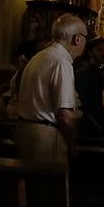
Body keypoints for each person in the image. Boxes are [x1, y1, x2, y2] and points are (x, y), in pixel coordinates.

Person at [15, 14, 87, 163]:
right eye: (86, 37)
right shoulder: (61, 62)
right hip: (45, 137)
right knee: (48, 185)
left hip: (25, 130)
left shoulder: (40, 56)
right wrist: (72, 144)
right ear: (77, 39)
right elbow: (65, 115)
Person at [75, 36, 104, 136]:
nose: (103, 53)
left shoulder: (101, 73)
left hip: (99, 123)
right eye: (99, 50)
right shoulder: (84, 73)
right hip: (89, 125)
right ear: (90, 52)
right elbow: (83, 103)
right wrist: (96, 124)